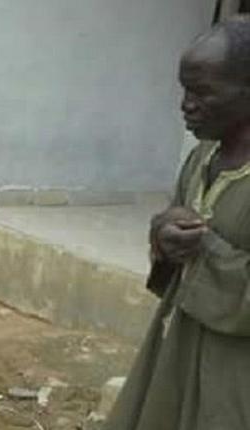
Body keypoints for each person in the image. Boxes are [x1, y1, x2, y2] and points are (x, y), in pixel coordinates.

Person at [105, 17, 250, 430]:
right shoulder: (201, 158)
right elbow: (171, 247)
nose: (186, 103)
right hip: (176, 353)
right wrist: (162, 234)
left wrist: (204, 249)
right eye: (185, 88)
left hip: (234, 379)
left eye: (203, 92)